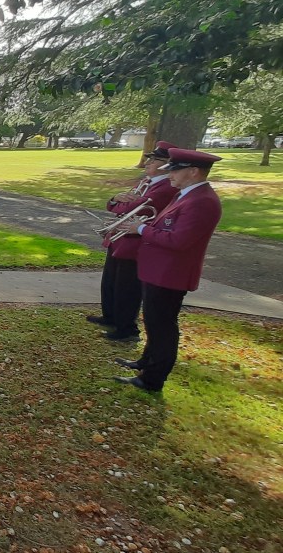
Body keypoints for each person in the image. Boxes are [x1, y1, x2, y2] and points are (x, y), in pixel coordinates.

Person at [112, 148, 223, 392]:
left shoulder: (202, 201)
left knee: (162, 327)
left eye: (175, 170)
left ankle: (152, 379)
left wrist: (141, 229)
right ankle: (146, 362)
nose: (169, 175)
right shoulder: (185, 194)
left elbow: (180, 241)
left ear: (193, 172)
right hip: (158, 270)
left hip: (170, 273)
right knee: (153, 322)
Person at [87, 141, 179, 342]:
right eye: (149, 158)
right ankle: (110, 316)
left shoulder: (165, 187)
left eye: (155, 160)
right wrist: (116, 198)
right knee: (110, 281)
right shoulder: (146, 182)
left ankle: (127, 328)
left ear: (166, 165)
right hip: (121, 236)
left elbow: (136, 207)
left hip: (136, 242)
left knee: (127, 287)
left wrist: (121, 205)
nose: (148, 162)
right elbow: (117, 204)